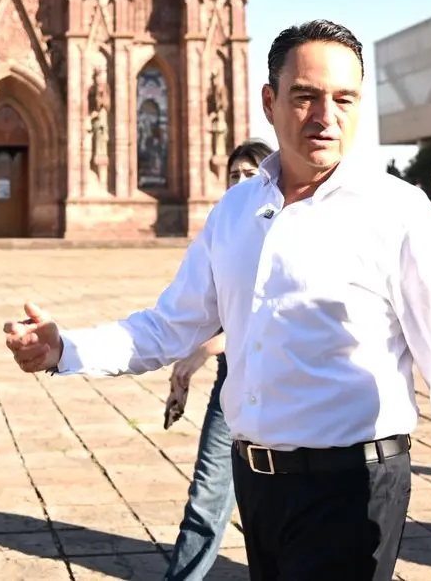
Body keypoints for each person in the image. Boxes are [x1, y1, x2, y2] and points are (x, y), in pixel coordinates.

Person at [5, 21, 431, 581]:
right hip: (258, 487)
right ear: (269, 102)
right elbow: (170, 326)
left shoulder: (399, 213)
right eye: (305, 97)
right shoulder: (237, 210)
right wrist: (65, 348)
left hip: (354, 490)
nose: (326, 116)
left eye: (344, 99)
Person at [161, 138, 274, 581]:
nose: (241, 183)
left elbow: (270, 318)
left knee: (278, 518)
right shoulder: (223, 233)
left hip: (285, 397)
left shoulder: (288, 231)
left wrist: (201, 352)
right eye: (233, 176)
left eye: (251, 174)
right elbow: (189, 313)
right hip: (232, 391)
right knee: (206, 500)